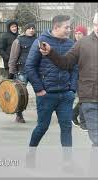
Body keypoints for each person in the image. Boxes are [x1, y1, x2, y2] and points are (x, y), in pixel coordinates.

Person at [39, 13, 98, 146]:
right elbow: (66, 63)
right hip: (90, 99)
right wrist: (51, 53)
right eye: (95, 24)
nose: (97, 28)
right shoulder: (83, 43)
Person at [25, 15, 78, 147]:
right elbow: (30, 66)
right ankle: (31, 153)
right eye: (66, 27)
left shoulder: (71, 44)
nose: (69, 30)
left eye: (69, 27)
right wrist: (39, 89)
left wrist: (72, 89)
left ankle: (67, 162)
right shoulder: (40, 41)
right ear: (56, 27)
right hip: (46, 94)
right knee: (42, 127)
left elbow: (75, 68)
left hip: (66, 95)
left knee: (66, 128)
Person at [8, 23, 37, 123]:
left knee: (40, 93)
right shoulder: (18, 40)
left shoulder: (38, 40)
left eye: (33, 28)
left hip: (35, 71)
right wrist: (11, 71)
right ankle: (19, 115)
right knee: (20, 95)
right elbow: (13, 57)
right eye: (29, 28)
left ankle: (42, 114)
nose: (31, 30)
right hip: (22, 71)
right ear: (25, 30)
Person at [70, 25, 88, 131]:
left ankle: (73, 115)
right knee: (83, 98)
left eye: (79, 33)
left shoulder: (88, 45)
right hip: (76, 76)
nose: (77, 35)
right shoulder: (72, 45)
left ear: (84, 34)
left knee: (84, 98)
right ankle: (83, 122)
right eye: (76, 33)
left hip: (86, 75)